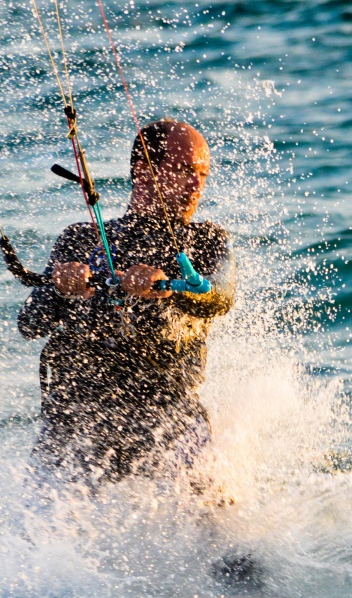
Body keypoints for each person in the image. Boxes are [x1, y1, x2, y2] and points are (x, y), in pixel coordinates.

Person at [18, 119, 235, 487]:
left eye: (203, 173)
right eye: (184, 170)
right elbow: (29, 324)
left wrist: (170, 288)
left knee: (220, 526)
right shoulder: (79, 238)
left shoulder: (208, 241)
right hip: (78, 417)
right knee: (41, 536)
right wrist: (59, 289)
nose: (197, 184)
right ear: (143, 170)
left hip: (167, 412)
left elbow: (219, 299)